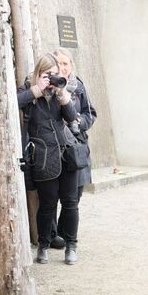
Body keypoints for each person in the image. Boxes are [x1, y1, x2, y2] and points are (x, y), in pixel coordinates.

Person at [17, 53, 78, 265]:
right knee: (47, 205)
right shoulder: (28, 90)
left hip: (66, 154)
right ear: (38, 74)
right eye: (47, 75)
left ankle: (71, 246)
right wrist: (36, 90)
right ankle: (43, 245)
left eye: (54, 74)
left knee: (70, 203)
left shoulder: (59, 91)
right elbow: (14, 102)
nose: (51, 78)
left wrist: (63, 96)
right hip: (43, 157)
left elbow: (71, 119)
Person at [50, 47, 98, 265]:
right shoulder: (47, 85)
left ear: (71, 65)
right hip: (53, 148)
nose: (62, 67)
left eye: (66, 63)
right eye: (58, 63)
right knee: (50, 197)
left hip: (76, 148)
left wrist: (79, 122)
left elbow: (90, 113)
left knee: (73, 197)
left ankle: (65, 234)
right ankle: (52, 237)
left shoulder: (78, 87)